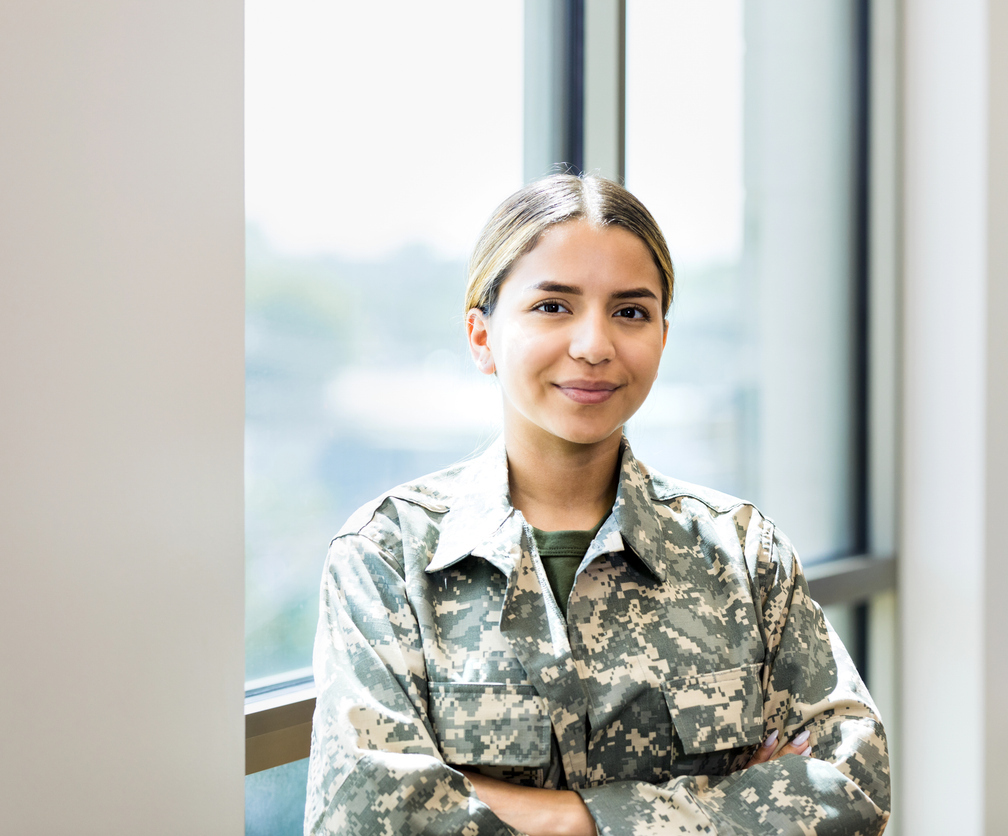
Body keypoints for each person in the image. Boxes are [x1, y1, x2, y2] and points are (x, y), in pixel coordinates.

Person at [304, 174, 890, 835]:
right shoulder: (389, 555)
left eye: (630, 312)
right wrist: (724, 805)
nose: (593, 345)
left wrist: (550, 818)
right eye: (553, 307)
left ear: (663, 337)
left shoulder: (741, 552)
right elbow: (365, 819)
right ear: (480, 336)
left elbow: (851, 784)